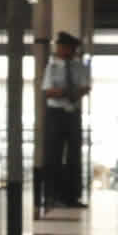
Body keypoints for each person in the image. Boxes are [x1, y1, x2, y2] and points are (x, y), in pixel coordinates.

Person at [41, 30, 90, 208]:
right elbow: (48, 91)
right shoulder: (52, 67)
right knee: (53, 154)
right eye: (64, 47)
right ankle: (53, 196)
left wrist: (72, 93)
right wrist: (65, 92)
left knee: (74, 156)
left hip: (72, 113)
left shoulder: (79, 67)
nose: (67, 51)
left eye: (70, 48)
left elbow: (85, 87)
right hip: (56, 113)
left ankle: (72, 196)